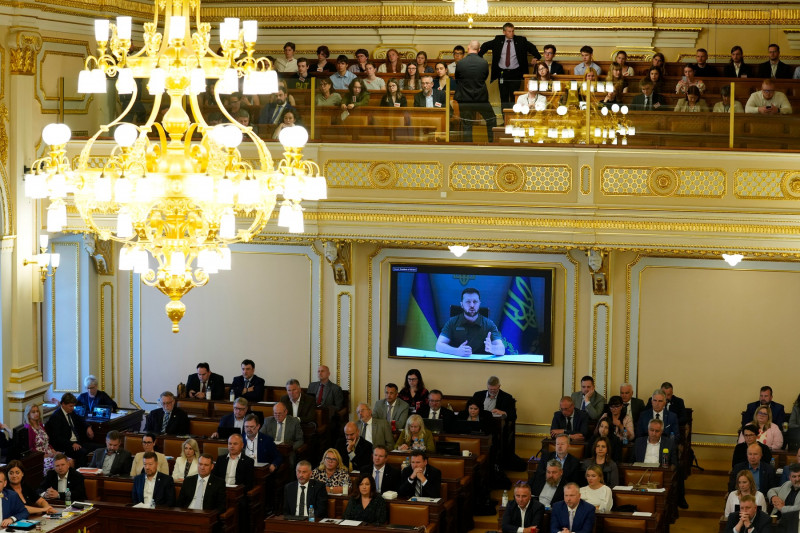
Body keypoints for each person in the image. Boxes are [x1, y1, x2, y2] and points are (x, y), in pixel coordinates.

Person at [479, 23, 541, 111]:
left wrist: (536, 57)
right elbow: (485, 45)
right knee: (503, 97)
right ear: (504, 32)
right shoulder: (498, 40)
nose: (511, 33)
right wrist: (478, 57)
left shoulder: (521, 40)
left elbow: (532, 48)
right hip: (502, 74)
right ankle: (505, 120)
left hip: (516, 73)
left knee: (514, 97)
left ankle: (512, 117)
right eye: (509, 31)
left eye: (512, 31)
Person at [437, 288, 504, 356]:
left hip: (480, 364)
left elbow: (502, 350)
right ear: (462, 304)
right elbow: (439, 345)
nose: (472, 305)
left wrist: (492, 348)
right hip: (458, 362)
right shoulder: (452, 322)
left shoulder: (489, 324)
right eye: (468, 302)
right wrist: (456, 351)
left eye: (475, 302)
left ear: (479, 303)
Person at [455, 40, 496, 142]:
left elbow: (457, 78)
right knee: (491, 119)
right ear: (479, 50)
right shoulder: (484, 63)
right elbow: (485, 77)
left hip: (465, 99)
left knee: (467, 123)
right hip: (481, 98)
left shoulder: (460, 63)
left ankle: (468, 147)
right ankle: (492, 143)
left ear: (468, 48)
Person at [45, 393, 95, 467]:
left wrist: (88, 427)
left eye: (73, 406)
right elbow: (57, 438)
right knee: (82, 452)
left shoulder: (71, 412)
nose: (73, 408)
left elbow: (80, 420)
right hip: (66, 446)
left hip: (78, 442)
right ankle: (80, 473)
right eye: (71, 406)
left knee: (99, 448)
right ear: (63, 404)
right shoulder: (56, 417)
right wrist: (71, 444)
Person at [23, 403, 57, 472]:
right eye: (33, 412)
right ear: (28, 415)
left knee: (68, 461)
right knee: (57, 466)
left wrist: (53, 450)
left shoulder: (40, 424)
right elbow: (31, 448)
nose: (36, 413)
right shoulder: (28, 428)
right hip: (40, 456)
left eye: (37, 411)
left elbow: (46, 441)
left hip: (49, 452)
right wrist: (46, 455)